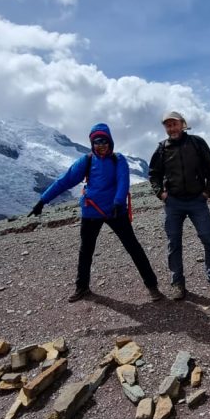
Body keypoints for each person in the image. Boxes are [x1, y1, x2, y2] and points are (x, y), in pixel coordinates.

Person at [30, 123, 162, 303]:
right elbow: (65, 180)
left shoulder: (118, 159)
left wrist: (117, 202)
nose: (101, 145)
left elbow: (123, 181)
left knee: (133, 247)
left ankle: (152, 286)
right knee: (86, 251)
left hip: (115, 211)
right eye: (97, 142)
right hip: (91, 212)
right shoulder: (87, 161)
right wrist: (43, 200)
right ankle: (82, 287)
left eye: (104, 141)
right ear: (92, 144)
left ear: (110, 142)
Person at [148, 111, 210, 301]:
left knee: (209, 239)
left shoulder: (197, 143)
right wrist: (161, 193)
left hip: (197, 200)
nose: (172, 128)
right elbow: (154, 174)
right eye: (168, 125)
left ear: (183, 124)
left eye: (174, 124)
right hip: (173, 203)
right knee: (173, 243)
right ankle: (177, 284)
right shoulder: (162, 149)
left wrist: (208, 192)